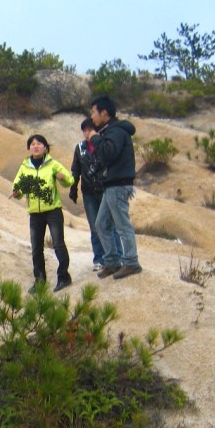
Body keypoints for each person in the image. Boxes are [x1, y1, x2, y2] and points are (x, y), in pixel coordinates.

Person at [11, 134, 75, 292]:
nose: (36, 146)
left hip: (53, 210)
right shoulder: (25, 167)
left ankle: (63, 277)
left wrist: (63, 178)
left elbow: (69, 179)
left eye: (39, 143)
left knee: (58, 244)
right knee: (36, 248)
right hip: (35, 213)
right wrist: (17, 192)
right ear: (29, 148)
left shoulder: (52, 164)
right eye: (32, 144)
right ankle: (39, 280)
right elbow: (17, 186)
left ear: (45, 147)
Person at [89, 95, 142, 279]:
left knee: (121, 224)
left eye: (94, 112)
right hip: (112, 184)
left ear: (104, 112)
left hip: (118, 184)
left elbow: (109, 153)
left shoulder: (116, 131)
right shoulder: (110, 131)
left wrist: (95, 139)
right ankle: (112, 262)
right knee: (101, 224)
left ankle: (131, 262)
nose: (92, 117)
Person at [69, 117, 121, 272]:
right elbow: (75, 169)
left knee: (110, 225)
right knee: (94, 226)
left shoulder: (104, 145)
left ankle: (116, 256)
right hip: (89, 192)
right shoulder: (80, 148)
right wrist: (74, 187)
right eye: (84, 130)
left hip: (105, 189)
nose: (87, 133)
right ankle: (99, 258)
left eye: (90, 130)